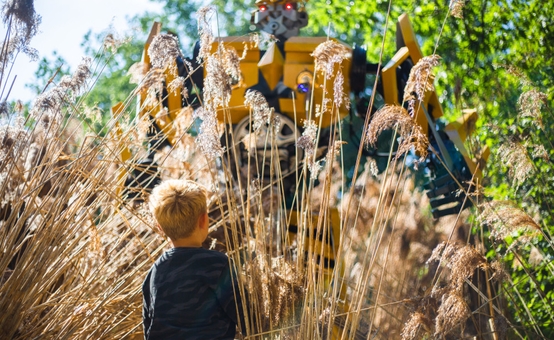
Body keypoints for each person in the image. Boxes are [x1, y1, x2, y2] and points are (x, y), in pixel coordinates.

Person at [142, 179, 245, 339]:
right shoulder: (218, 266)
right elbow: (245, 316)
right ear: (204, 220)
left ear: (160, 228)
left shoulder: (155, 271)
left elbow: (149, 326)